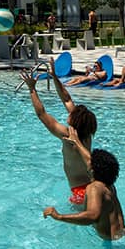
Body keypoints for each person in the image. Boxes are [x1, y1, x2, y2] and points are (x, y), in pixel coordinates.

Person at [21, 61, 97, 204]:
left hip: (80, 192)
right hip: (94, 184)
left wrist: (32, 89)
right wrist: (54, 76)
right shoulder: (86, 132)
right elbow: (67, 99)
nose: (69, 112)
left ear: (74, 120)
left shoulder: (68, 135)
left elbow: (42, 114)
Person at [43, 146, 125, 241]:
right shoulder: (110, 186)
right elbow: (92, 161)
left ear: (92, 169)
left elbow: (92, 216)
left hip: (115, 247)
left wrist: (59, 216)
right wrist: (77, 143)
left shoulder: (94, 188)